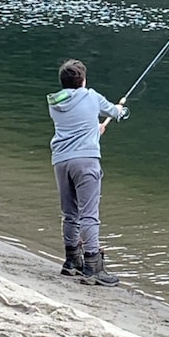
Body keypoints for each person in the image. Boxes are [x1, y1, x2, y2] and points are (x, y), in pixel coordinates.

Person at [47, 58, 128, 286]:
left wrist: (95, 129)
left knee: (70, 213)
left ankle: (72, 262)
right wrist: (120, 110)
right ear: (82, 80)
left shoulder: (55, 102)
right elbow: (116, 112)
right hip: (86, 162)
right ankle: (93, 266)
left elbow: (75, 124)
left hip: (61, 161)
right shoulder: (91, 96)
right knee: (89, 214)